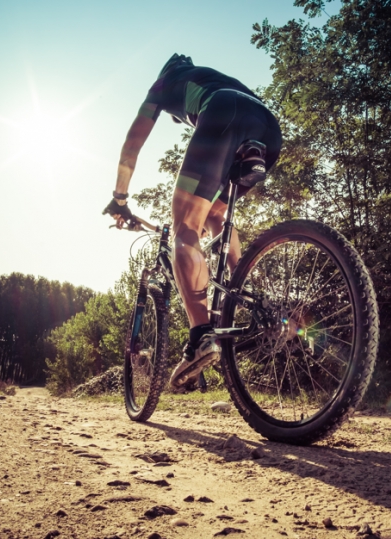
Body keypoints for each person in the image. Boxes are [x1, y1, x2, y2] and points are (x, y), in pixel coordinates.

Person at [105, 53, 282, 391]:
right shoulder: (206, 76)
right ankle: (247, 293)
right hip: (268, 129)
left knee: (184, 230)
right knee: (213, 215)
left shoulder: (162, 84)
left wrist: (121, 199)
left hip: (223, 112)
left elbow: (132, 146)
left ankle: (201, 336)